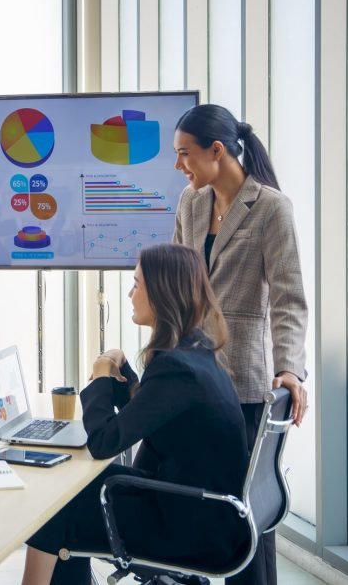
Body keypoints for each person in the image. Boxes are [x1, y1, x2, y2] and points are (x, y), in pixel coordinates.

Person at [22, 244, 250, 585]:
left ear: (160, 295)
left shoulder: (177, 366)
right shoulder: (195, 352)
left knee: (54, 508)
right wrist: (124, 373)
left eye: (136, 284)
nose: (130, 294)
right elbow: (154, 415)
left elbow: (104, 442)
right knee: (67, 499)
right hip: (203, 513)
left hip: (189, 526)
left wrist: (101, 375)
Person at [171, 103, 309, 585]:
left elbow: (290, 298)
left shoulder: (270, 207)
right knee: (192, 504)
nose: (178, 165)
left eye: (185, 154)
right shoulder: (191, 204)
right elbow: (175, 287)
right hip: (190, 378)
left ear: (217, 151)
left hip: (244, 385)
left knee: (244, 518)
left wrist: (290, 369)